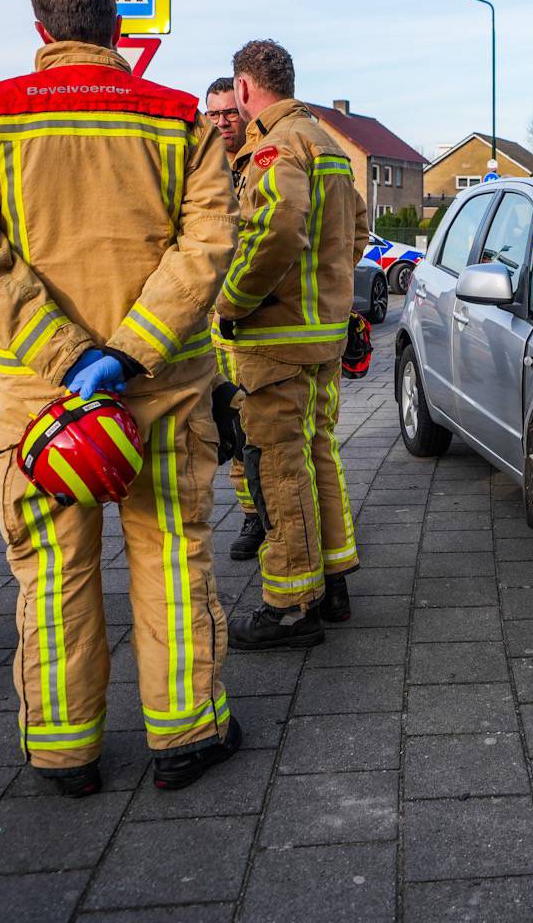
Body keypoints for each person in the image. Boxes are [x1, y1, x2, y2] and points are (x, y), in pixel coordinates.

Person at [0, 0, 239, 795]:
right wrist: (131, 345)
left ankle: (66, 752)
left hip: (43, 400)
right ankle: (184, 734)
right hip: (164, 387)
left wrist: (64, 354)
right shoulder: (178, 118)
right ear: (119, 27)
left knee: (55, 569)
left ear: (41, 32)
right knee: (173, 556)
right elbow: (208, 244)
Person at [216, 39, 364, 649]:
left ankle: (290, 605)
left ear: (246, 89)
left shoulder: (274, 147)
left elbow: (277, 228)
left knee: (277, 466)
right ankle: (334, 581)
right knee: (316, 452)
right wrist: (327, 293)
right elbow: (355, 233)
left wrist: (231, 301)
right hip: (321, 335)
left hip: (274, 337)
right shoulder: (327, 142)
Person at [204, 76, 261, 562]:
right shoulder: (200, 167)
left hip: (254, 321)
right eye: (214, 114)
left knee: (262, 428)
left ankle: (269, 515)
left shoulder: (265, 163)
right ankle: (251, 518)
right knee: (230, 428)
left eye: (229, 112)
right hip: (210, 327)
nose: (223, 121)